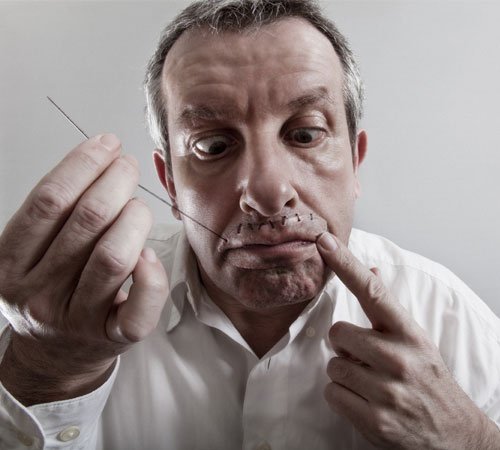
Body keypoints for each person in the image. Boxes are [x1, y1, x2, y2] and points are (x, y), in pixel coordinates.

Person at [0, 0, 499, 448]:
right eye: (213, 145)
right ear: (169, 183)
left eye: (305, 134)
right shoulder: (70, 322)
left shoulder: (448, 318)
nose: (268, 193)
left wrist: (470, 441)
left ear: (355, 163)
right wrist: (49, 371)